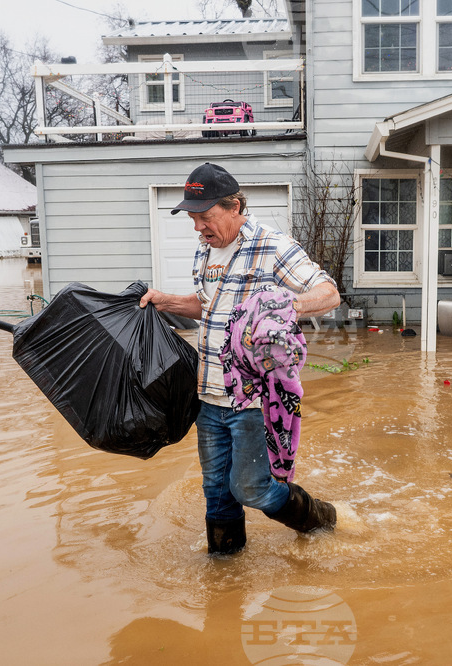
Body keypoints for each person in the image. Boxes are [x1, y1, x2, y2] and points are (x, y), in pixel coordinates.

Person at [139, 163, 341, 555]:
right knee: (216, 491)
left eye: (205, 217)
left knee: (250, 487)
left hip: (252, 400)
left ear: (234, 207)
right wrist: (167, 301)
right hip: (208, 394)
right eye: (193, 218)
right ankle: (225, 570)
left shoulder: (273, 245)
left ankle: (322, 519)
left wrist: (283, 305)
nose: (198, 227)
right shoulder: (206, 250)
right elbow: (208, 305)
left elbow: (328, 293)